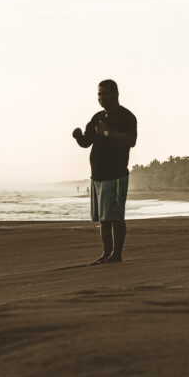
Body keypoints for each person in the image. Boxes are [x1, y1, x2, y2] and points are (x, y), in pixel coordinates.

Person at [72, 79, 137, 264]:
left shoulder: (126, 117)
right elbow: (87, 142)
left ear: (115, 94)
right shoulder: (97, 117)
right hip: (98, 176)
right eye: (99, 94)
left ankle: (116, 254)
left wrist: (108, 133)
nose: (101, 98)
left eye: (105, 93)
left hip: (116, 174)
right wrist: (78, 137)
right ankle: (106, 253)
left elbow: (131, 141)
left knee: (115, 216)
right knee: (104, 219)